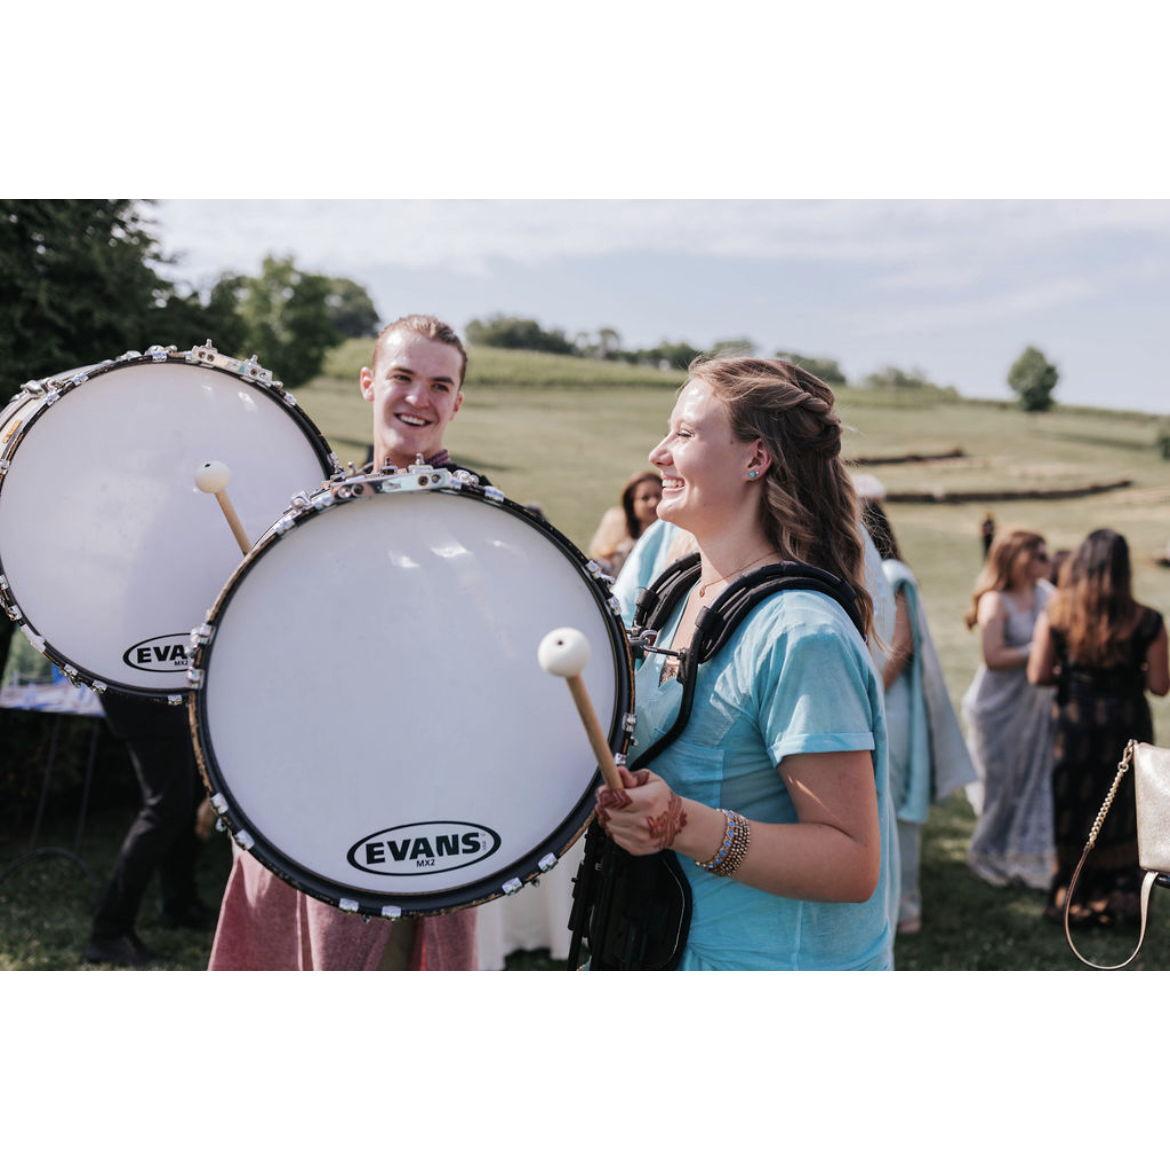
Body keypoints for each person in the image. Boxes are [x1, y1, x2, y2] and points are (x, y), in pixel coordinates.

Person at [595, 356, 893, 970]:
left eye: (684, 433)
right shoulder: (674, 591)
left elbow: (849, 862)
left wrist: (680, 825)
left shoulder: (802, 634)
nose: (658, 453)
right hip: (658, 940)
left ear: (756, 459)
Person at [208, 314, 481, 971]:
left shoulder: (486, 525)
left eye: (440, 385)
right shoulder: (315, 512)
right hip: (299, 795)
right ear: (368, 383)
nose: (420, 398)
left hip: (412, 809)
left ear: (457, 403)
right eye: (403, 377)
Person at [1028, 529, 1169, 926]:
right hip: (1126, 727)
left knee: (1075, 807)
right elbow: (1160, 685)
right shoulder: (1148, 621)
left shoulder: (1057, 616)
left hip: (1075, 726)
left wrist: (1078, 674)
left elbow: (1038, 673)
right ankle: (1120, 900)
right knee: (1123, 809)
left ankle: (1072, 897)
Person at [859, 494, 976, 934]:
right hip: (880, 705)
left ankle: (904, 908)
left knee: (892, 806)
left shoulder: (892, 575)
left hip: (890, 708)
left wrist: (866, 699)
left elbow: (900, 646)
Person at [82, 692, 209, 967]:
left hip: (163, 691)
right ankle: (109, 931)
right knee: (166, 807)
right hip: (143, 691)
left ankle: (180, 903)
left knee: (184, 797)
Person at [962, 529, 1056, 889]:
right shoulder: (995, 601)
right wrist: (1039, 648)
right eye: (1039, 557)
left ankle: (1025, 854)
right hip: (997, 706)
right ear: (1018, 560)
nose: (1047, 564)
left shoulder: (1047, 594)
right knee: (1000, 783)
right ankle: (986, 852)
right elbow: (994, 656)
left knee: (1032, 780)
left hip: (1034, 706)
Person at [587, 471, 662, 576]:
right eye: (645, 498)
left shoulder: (677, 541)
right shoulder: (622, 551)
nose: (653, 502)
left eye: (658, 496)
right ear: (631, 506)